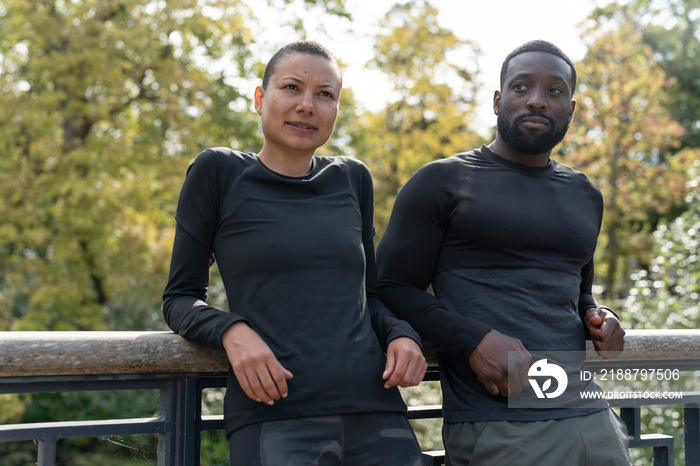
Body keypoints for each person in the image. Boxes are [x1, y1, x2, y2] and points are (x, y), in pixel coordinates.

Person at [163, 40, 427, 466]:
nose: (307, 105)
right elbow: (178, 298)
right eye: (292, 88)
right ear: (260, 98)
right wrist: (233, 331)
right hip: (275, 413)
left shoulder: (353, 178)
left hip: (376, 409)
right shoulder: (218, 171)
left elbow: (369, 297)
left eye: (325, 94)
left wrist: (400, 332)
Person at [376, 40, 632, 465]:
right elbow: (390, 287)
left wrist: (601, 317)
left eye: (553, 91)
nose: (536, 100)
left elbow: (577, 295)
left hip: (594, 418)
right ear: (498, 100)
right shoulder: (442, 181)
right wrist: (472, 338)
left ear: (571, 109)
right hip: (500, 423)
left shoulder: (586, 194)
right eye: (521, 87)